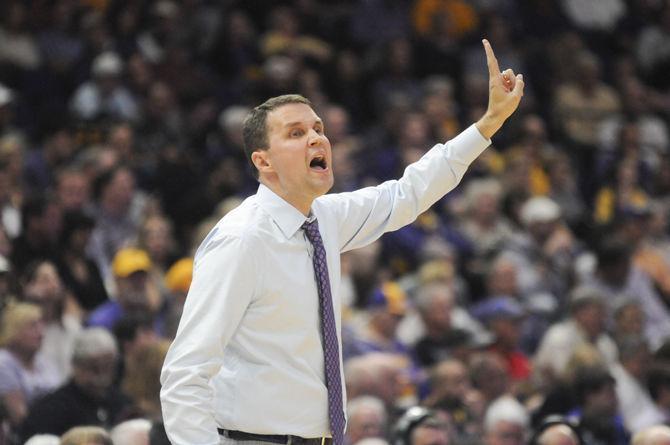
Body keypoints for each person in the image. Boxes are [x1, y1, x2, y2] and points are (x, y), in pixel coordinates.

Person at [160, 39, 524, 445]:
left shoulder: (324, 218)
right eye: (296, 133)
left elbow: (407, 193)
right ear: (262, 161)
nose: (317, 139)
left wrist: (488, 124)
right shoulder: (241, 239)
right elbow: (185, 372)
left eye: (319, 128)